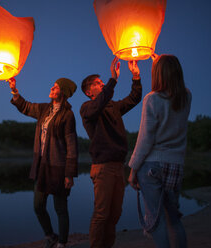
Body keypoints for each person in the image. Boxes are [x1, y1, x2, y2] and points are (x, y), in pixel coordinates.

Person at [128, 54, 192, 248]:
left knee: (156, 221)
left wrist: (132, 169)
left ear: (157, 74)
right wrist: (162, 59)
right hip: (175, 164)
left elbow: (145, 139)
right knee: (174, 219)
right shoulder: (186, 96)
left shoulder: (152, 99)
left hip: (152, 165)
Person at [8, 77, 78, 248]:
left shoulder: (68, 115)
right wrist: (14, 90)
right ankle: (50, 236)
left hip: (59, 168)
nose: (52, 88)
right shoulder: (43, 109)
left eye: (56, 87)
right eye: (52, 86)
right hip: (42, 166)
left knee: (60, 208)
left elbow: (71, 145)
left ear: (63, 92)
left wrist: (69, 174)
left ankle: (62, 243)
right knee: (38, 206)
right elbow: (25, 107)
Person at [80, 56, 142, 248]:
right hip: (103, 167)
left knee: (115, 214)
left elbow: (134, 99)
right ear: (90, 92)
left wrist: (136, 78)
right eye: (98, 84)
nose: (102, 84)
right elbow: (98, 104)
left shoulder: (113, 106)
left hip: (118, 167)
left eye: (102, 82)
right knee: (101, 213)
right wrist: (113, 79)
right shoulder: (87, 108)